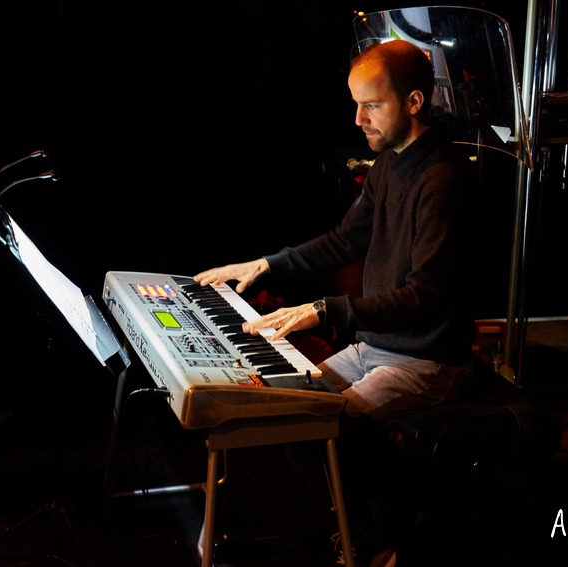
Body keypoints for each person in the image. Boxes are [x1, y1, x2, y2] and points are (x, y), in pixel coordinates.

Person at [194, 38, 476, 562]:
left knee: (320, 424)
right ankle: (367, 523)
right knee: (281, 408)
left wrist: (326, 310)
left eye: (371, 105)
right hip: (378, 347)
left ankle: (380, 531)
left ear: (414, 103)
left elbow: (425, 297)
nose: (357, 119)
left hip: (427, 359)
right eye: (355, 104)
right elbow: (345, 239)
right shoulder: (393, 162)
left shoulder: (444, 180)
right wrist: (265, 265)